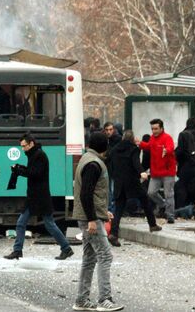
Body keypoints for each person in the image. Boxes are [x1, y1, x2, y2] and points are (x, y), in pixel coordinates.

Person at [72, 132, 123, 312]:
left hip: (87, 216)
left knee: (89, 258)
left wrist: (102, 212)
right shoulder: (94, 164)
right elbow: (86, 194)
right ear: (105, 146)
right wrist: (93, 218)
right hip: (89, 219)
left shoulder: (87, 159)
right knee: (105, 255)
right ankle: (104, 300)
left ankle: (81, 299)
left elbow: (92, 194)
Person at [4, 134, 73, 260]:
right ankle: (17, 250)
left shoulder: (39, 155)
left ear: (31, 144)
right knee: (22, 223)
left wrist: (19, 170)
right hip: (35, 196)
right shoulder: (35, 154)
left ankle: (66, 248)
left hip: (40, 197)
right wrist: (20, 168)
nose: (22, 149)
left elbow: (35, 173)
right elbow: (32, 171)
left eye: (24, 146)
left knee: (48, 224)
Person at [107, 130, 161, 247]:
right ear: (132, 139)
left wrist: (114, 176)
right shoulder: (134, 149)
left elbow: (109, 164)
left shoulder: (114, 149)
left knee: (119, 209)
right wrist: (142, 172)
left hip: (119, 183)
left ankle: (113, 234)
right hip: (132, 182)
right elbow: (135, 162)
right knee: (145, 201)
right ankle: (152, 225)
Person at [139, 119, 176, 223]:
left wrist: (166, 150)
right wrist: (140, 143)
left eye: (156, 129)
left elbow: (170, 147)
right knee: (151, 192)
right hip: (155, 172)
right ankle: (163, 205)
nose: (154, 131)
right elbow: (148, 147)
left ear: (161, 128)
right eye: (152, 129)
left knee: (169, 194)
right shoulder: (152, 138)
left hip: (167, 171)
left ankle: (170, 216)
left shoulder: (167, 138)